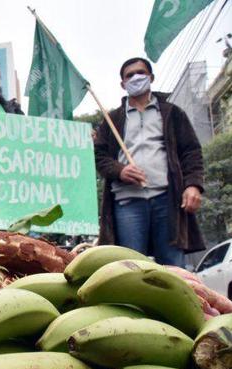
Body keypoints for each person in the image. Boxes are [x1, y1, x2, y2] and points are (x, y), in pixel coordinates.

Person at [94, 57, 205, 267]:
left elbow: (191, 152)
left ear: (151, 77)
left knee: (173, 267)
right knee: (130, 266)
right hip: (127, 202)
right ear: (122, 83)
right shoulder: (112, 119)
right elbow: (100, 157)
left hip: (168, 200)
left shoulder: (172, 113)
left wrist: (193, 185)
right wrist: (120, 170)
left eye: (141, 73)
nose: (136, 78)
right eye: (129, 75)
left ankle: (176, 301)